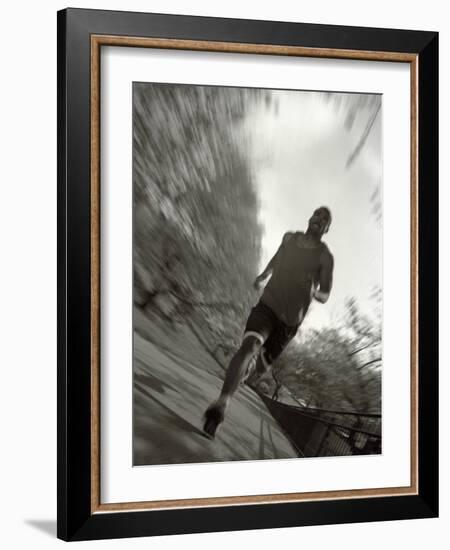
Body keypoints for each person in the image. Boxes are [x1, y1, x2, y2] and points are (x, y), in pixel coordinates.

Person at [202, 206, 334, 438]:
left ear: (326, 229)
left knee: (261, 368)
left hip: (289, 323)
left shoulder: (325, 256)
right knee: (249, 346)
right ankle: (221, 404)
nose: (318, 220)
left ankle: (248, 372)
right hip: (268, 306)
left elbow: (325, 295)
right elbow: (276, 259)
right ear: (309, 217)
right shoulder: (289, 238)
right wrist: (264, 275)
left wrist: (312, 289)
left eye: (324, 220)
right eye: (316, 215)